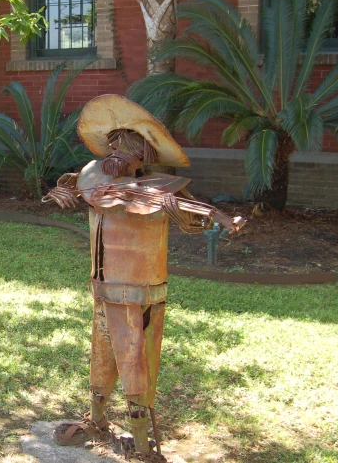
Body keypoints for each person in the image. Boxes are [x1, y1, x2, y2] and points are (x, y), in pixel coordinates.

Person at [44, 95, 242, 456]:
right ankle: (97, 418)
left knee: (135, 360)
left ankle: (140, 444)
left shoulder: (164, 188)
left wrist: (181, 212)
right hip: (102, 287)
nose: (117, 154)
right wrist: (58, 191)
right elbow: (66, 188)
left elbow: (196, 222)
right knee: (102, 354)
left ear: (145, 157)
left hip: (138, 288)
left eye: (129, 149)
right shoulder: (92, 175)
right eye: (114, 145)